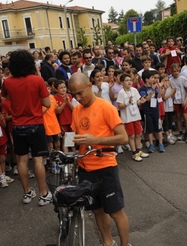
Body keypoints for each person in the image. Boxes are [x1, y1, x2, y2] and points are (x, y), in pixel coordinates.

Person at [68, 72, 130, 246]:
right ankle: (107, 243)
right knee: (96, 210)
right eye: (74, 95)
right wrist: (70, 140)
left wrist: (95, 140)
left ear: (90, 86)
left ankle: (125, 244)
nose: (78, 98)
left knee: (116, 211)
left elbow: (123, 138)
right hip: (85, 168)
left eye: (80, 93)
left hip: (105, 167)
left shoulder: (106, 107)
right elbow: (76, 135)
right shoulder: (77, 110)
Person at [1, 49, 52, 205]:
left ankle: (27, 193)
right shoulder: (37, 80)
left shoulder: (8, 82)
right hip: (36, 124)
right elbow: (47, 103)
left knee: (22, 161)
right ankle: (43, 194)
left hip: (18, 126)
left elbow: (5, 96)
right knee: (38, 160)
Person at [116, 73, 148, 161]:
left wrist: (141, 101)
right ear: (122, 83)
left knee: (139, 134)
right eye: (126, 80)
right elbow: (120, 106)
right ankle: (134, 153)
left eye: (130, 80)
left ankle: (138, 150)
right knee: (131, 136)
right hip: (127, 118)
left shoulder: (134, 90)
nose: (129, 82)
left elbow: (137, 102)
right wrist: (127, 102)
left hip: (136, 115)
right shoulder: (121, 93)